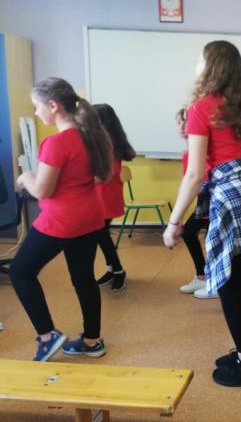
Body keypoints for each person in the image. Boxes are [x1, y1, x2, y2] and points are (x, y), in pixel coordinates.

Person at [163, 41, 241, 388]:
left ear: (210, 67)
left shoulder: (200, 108)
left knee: (230, 283)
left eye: (200, 60)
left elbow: (195, 174)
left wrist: (174, 222)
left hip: (232, 199)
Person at [11, 77, 112, 361]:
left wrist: (25, 177)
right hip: (90, 218)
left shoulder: (56, 143)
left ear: (53, 106)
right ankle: (92, 341)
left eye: (37, 106)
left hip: (61, 222)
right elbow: (99, 177)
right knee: (84, 279)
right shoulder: (91, 136)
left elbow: (42, 190)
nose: (36, 112)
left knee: (20, 272)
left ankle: (47, 336)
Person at [93, 103, 136, 292]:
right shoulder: (103, 140)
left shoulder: (108, 143)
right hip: (101, 194)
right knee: (101, 234)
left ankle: (118, 270)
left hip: (105, 194)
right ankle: (113, 269)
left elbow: (105, 174)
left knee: (101, 234)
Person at [174, 107, 216, 299]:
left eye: (186, 122)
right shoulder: (187, 154)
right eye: (179, 123)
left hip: (214, 203)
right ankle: (202, 276)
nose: (182, 127)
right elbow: (188, 185)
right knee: (190, 232)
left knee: (207, 239)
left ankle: (213, 281)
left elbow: (200, 180)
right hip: (203, 205)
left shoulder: (203, 150)